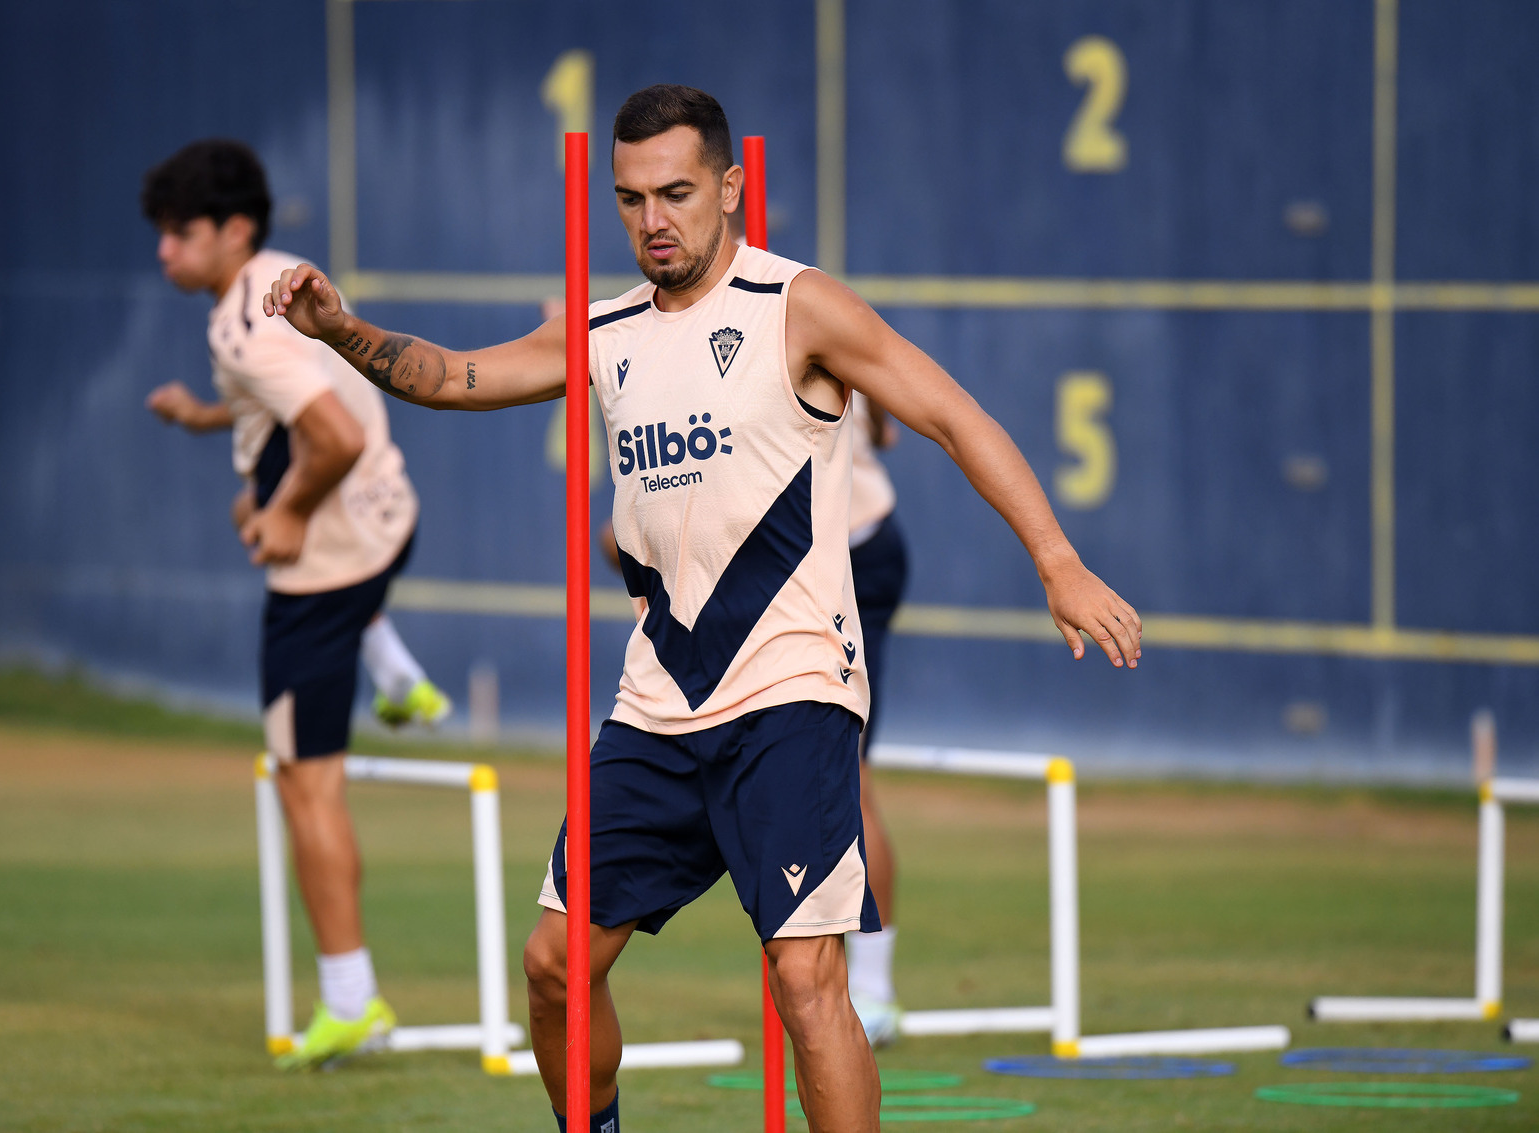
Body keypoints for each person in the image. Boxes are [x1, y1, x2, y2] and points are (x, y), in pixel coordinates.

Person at [264, 86, 1141, 1133]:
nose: (653, 220)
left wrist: (1057, 559)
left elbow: (952, 416)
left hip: (792, 688)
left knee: (805, 979)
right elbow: (453, 378)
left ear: (729, 187)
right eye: (631, 198)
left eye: (675, 193)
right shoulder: (602, 328)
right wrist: (340, 330)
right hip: (659, 701)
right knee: (553, 965)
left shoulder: (798, 306)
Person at [139, 138, 451, 1069]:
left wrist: (285, 512)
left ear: (234, 229)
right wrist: (202, 418)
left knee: (302, 779)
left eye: (180, 232)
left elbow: (333, 434)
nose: (163, 250)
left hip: (327, 570)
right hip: (391, 519)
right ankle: (394, 672)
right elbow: (275, 403)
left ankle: (352, 1000)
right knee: (256, 501)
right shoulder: (283, 280)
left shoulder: (243, 325)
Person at [841, 391, 908, 1047]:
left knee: (847, 772)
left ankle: (873, 989)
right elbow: (887, 430)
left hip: (851, 554)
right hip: (832, 551)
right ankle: (852, 981)